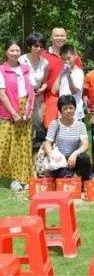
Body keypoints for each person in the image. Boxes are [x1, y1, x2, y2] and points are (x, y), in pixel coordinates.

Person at [0, 40, 35, 191]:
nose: (15, 53)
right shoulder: (2, 70)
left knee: (23, 145)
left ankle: (23, 177)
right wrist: (13, 113)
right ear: (6, 52)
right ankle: (11, 177)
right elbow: (2, 94)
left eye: (17, 50)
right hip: (9, 111)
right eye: (12, 50)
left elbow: (31, 91)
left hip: (25, 109)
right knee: (7, 145)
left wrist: (30, 109)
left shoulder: (26, 69)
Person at [42, 27, 83, 130]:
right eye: (56, 35)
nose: (59, 38)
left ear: (66, 38)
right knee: (51, 128)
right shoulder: (44, 56)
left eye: (62, 35)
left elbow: (78, 84)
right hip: (51, 97)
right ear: (51, 37)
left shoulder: (74, 57)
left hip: (72, 101)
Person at [43, 95, 92, 180]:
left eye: (71, 108)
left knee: (85, 158)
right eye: (65, 109)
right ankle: (69, 176)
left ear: (75, 108)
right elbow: (48, 143)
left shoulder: (81, 125)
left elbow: (85, 144)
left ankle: (84, 182)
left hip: (74, 159)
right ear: (60, 111)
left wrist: (75, 153)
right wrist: (52, 156)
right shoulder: (55, 124)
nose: (69, 111)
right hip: (59, 160)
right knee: (66, 176)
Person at [19, 32, 49, 141]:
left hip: (38, 96)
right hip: (23, 96)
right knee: (24, 123)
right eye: (36, 46)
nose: (38, 49)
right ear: (29, 46)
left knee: (37, 123)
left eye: (41, 46)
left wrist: (41, 89)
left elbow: (45, 82)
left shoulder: (45, 62)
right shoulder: (21, 60)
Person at [52, 44, 84, 122]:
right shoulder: (62, 73)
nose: (66, 61)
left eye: (69, 58)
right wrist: (60, 74)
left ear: (75, 55)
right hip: (62, 112)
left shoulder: (79, 72)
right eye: (63, 59)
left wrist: (69, 76)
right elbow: (54, 90)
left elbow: (74, 91)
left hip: (75, 113)